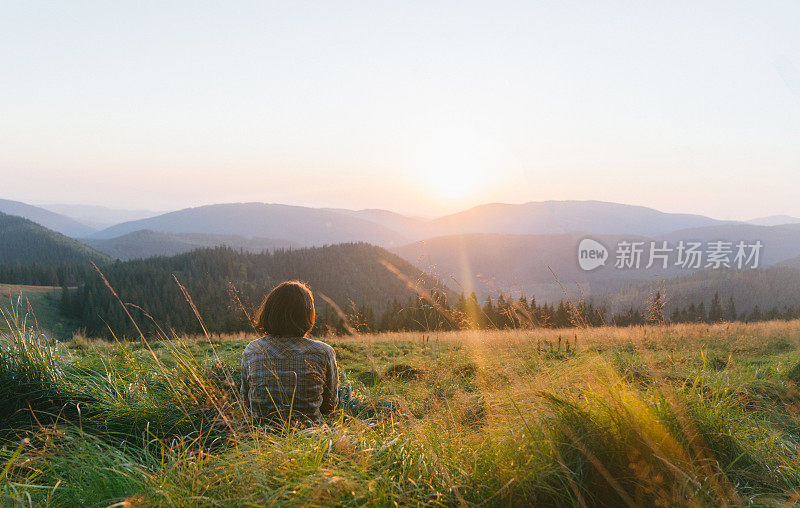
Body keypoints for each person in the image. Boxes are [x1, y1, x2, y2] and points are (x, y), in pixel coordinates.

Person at [240, 281, 338, 424]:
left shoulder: (253, 350)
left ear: (269, 311)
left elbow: (245, 402)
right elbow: (330, 406)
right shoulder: (323, 352)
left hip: (261, 440)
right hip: (312, 440)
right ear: (307, 314)